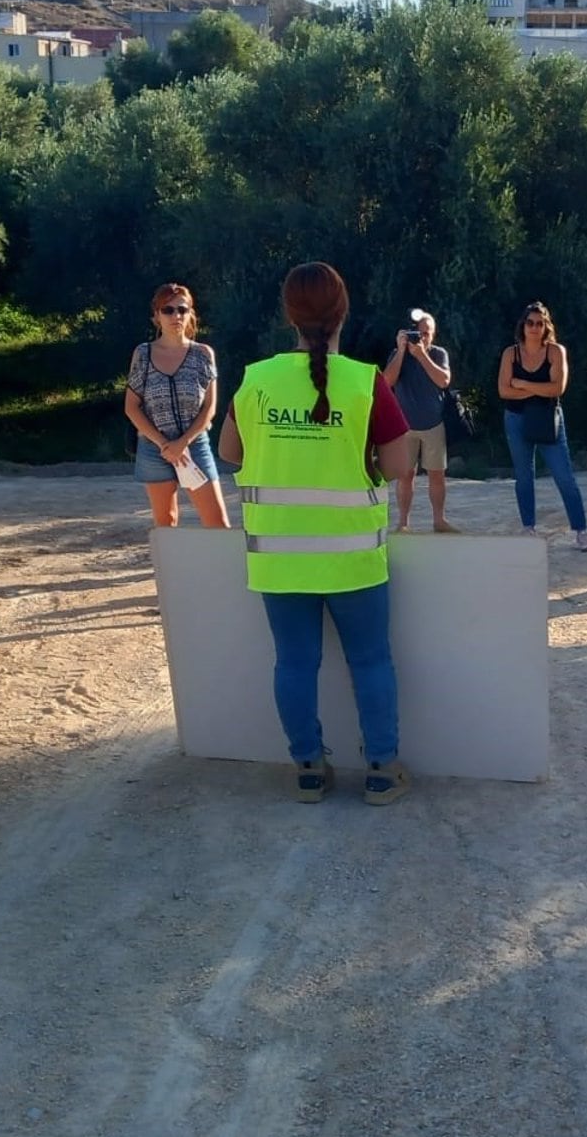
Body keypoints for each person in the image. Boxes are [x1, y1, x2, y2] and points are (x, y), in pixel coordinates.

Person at [218, 262, 415, 805]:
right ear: (342, 313)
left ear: (288, 315)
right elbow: (399, 465)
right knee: (371, 662)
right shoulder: (363, 380)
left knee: (294, 664)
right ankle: (381, 770)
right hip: (353, 558)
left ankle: (308, 769)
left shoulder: (256, 380)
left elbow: (230, 453)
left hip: (279, 559)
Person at [125, 284, 230, 530]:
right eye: (168, 310)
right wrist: (164, 444)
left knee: (218, 524)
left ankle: (218, 570)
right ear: (156, 316)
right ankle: (169, 570)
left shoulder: (203, 354)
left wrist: (182, 444)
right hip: (154, 449)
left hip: (194, 445)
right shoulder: (143, 353)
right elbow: (132, 407)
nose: (176, 316)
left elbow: (209, 409)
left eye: (182, 309)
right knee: (166, 524)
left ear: (191, 313)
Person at [497, 301, 587, 550]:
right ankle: (528, 527)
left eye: (540, 323)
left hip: (548, 418)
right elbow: (504, 391)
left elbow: (557, 389)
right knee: (524, 475)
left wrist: (523, 384)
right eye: (530, 323)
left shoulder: (555, 351)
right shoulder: (511, 354)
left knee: (564, 476)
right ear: (523, 325)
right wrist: (536, 390)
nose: (534, 328)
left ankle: (581, 531)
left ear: (546, 326)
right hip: (516, 418)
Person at [381, 309, 457, 533]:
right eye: (418, 333)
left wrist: (422, 355)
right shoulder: (399, 354)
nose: (422, 337)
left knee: (437, 475)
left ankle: (439, 520)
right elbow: (387, 381)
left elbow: (443, 381)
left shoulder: (438, 354)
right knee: (405, 476)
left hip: (433, 423)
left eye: (427, 333)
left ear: (433, 334)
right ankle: (403, 522)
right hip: (405, 426)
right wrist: (402, 351)